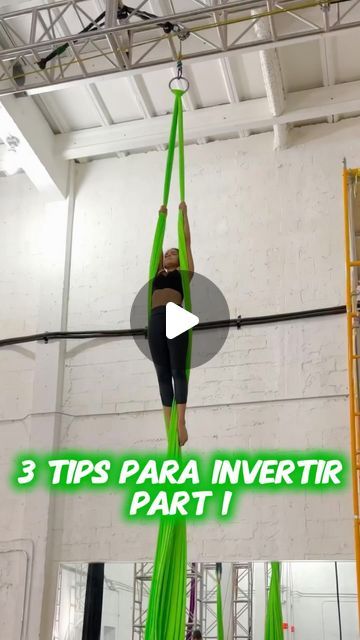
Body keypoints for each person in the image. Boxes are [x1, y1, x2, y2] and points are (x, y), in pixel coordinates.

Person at [148, 201, 194, 446]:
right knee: (162, 374)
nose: (167, 255)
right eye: (167, 254)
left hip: (176, 316)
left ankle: (181, 421)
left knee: (177, 370)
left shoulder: (184, 273)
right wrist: (161, 219)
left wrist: (182, 216)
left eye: (172, 253)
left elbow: (185, 242)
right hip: (155, 319)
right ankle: (169, 425)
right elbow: (156, 247)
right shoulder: (156, 274)